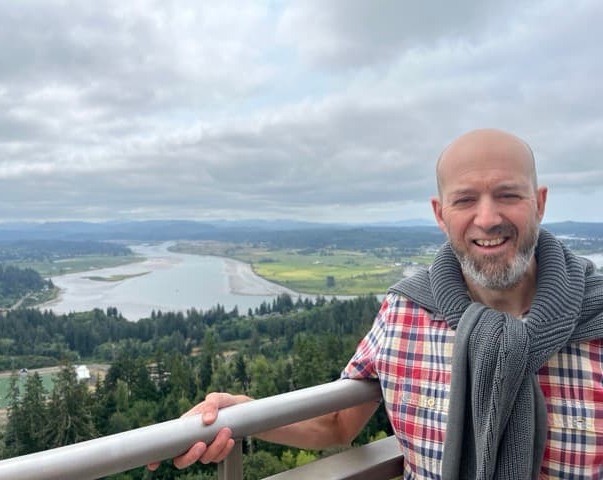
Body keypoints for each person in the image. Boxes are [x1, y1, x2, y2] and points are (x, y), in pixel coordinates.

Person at [149, 129, 603, 479]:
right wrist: (240, 414)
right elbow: (336, 424)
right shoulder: (406, 312)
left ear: (539, 204)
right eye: (465, 200)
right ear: (440, 214)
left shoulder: (596, 318)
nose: (487, 218)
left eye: (508, 195)